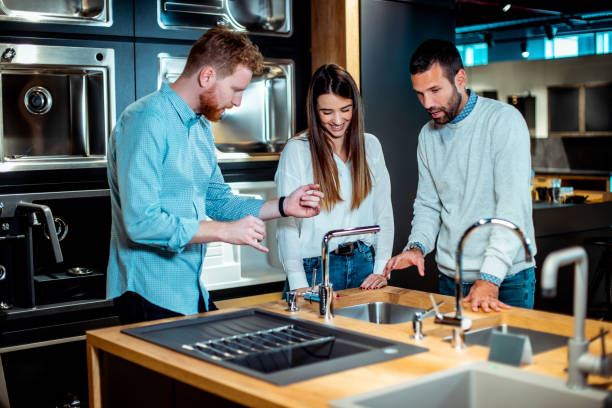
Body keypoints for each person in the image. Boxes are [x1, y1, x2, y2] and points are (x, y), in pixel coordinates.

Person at [107, 26, 323, 324]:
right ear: (207, 76)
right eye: (236, 89)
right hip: (149, 293)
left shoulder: (200, 128)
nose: (238, 102)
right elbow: (141, 224)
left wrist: (284, 205)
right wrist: (223, 231)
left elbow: (219, 201)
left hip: (189, 290)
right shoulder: (145, 120)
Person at [383, 39, 536, 312]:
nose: (427, 103)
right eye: (419, 93)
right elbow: (429, 205)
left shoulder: (503, 121)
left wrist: (490, 277)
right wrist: (417, 247)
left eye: (435, 90)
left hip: (507, 280)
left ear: (460, 78)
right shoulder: (427, 135)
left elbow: (512, 209)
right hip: (450, 280)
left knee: (502, 356)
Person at [276, 64, 393, 296]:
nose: (337, 120)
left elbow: (384, 214)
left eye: (345, 109)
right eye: (327, 112)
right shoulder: (296, 150)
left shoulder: (371, 146)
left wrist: (381, 269)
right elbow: (287, 224)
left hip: (364, 265)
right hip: (315, 268)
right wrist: (298, 282)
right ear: (314, 110)